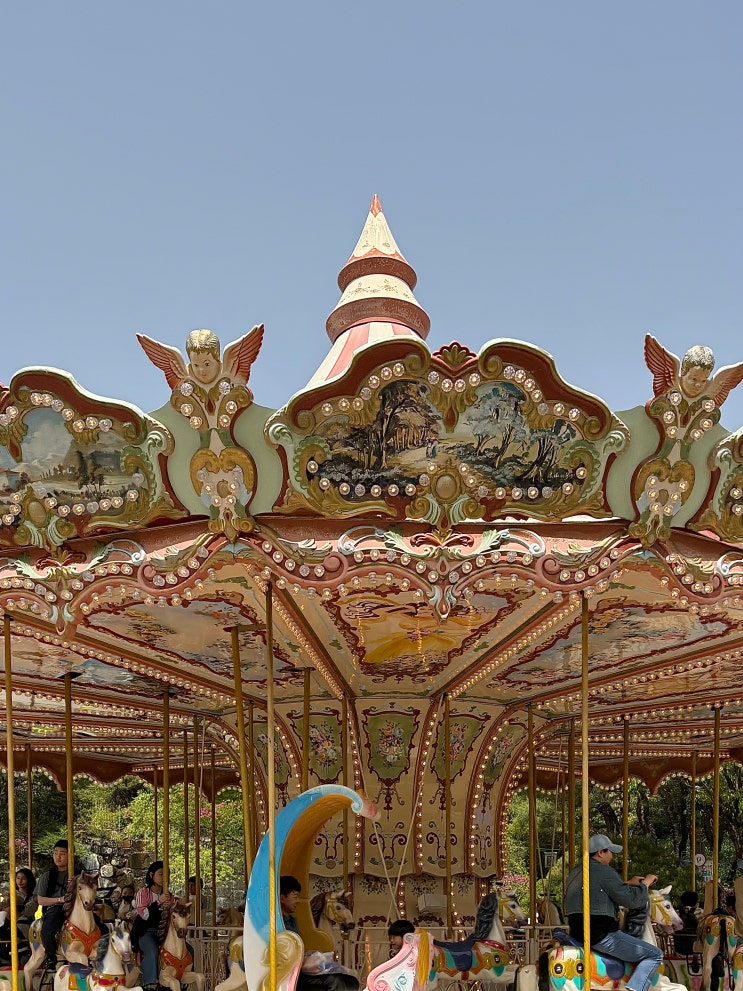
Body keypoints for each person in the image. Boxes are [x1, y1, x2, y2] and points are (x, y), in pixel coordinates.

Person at [564, 834, 662, 991]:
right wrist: (645, 884)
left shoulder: (576, 872)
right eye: (610, 852)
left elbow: (599, 890)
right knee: (655, 954)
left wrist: (627, 883)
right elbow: (632, 901)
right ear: (600, 852)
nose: (612, 856)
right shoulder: (604, 871)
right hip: (601, 935)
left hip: (577, 933)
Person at [279, 876, 358, 991]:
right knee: (334, 980)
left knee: (348, 980)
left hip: (299, 969)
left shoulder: (292, 921)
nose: (297, 901)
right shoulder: (279, 924)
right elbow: (286, 954)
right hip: (291, 973)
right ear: (282, 898)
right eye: (295, 897)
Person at [132, 861, 172, 989]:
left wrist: (170, 908)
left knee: (187, 950)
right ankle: (150, 984)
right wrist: (158, 902)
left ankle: (181, 981)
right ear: (151, 875)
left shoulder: (169, 896)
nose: (164, 877)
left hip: (165, 932)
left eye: (167, 874)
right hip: (147, 931)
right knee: (152, 951)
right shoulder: (143, 893)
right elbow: (144, 915)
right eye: (161, 874)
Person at [36, 839, 71, 969]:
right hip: (56, 907)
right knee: (48, 929)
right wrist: (59, 900)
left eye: (62, 853)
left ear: (70, 855)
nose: (58, 857)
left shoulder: (78, 874)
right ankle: (51, 956)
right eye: (55, 853)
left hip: (76, 906)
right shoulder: (47, 876)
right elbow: (40, 900)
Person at [15, 868, 38, 941]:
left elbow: (29, 912)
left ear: (29, 880)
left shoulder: (34, 897)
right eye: (18, 878)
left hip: (29, 924)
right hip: (15, 924)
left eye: (24, 879)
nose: (20, 881)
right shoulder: (11, 895)